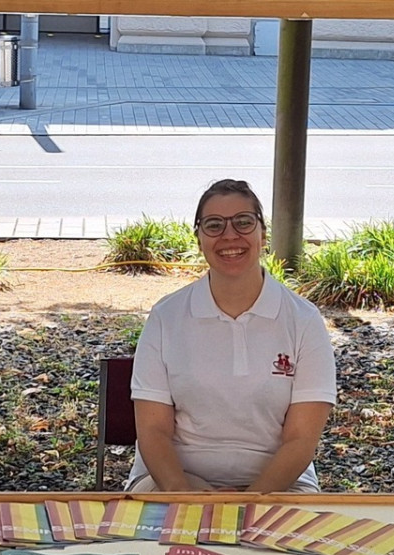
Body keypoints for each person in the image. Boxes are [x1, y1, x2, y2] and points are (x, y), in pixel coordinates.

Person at [128, 179, 337, 494]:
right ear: (199, 239)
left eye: (243, 222)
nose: (229, 235)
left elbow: (300, 440)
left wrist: (247, 503)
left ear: (262, 234)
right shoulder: (165, 317)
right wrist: (188, 497)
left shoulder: (304, 320)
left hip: (281, 485)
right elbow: (153, 431)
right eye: (214, 225)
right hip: (174, 481)